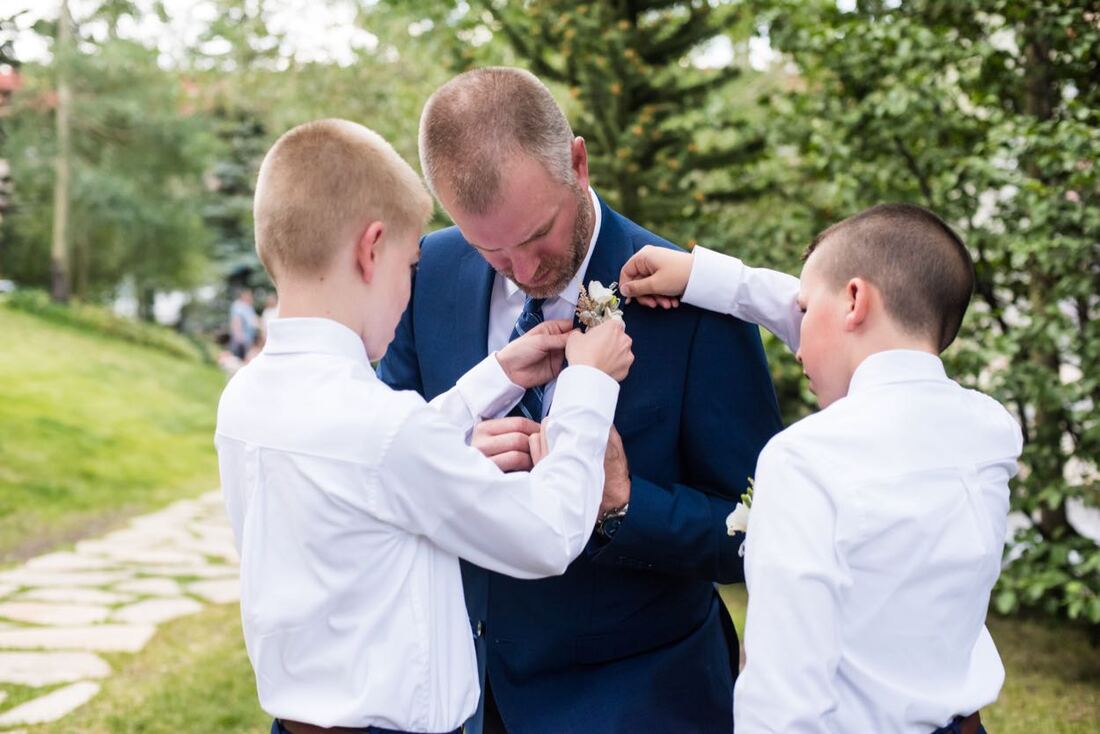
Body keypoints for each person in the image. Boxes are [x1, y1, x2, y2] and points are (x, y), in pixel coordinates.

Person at [378, 67, 783, 733]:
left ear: (578, 162)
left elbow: (759, 534)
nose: (527, 270)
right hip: (460, 698)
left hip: (641, 699)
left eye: (540, 235)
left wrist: (626, 506)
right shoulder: (427, 277)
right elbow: (378, 465)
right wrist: (443, 453)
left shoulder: (696, 302)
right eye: (493, 252)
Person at [215, 118, 635, 734]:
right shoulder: (382, 430)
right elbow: (546, 535)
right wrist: (588, 387)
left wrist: (491, 379)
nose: (414, 287)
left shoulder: (247, 396)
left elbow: (362, 462)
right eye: (412, 265)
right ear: (371, 249)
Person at [619, 203, 1023, 734]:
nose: (796, 339)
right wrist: (710, 279)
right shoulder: (990, 431)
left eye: (804, 311)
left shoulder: (805, 460)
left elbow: (784, 697)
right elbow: (887, 333)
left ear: (855, 299)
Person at [228, 287, 259, 360]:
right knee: (238, 359)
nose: (251, 297)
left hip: (249, 338)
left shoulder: (249, 307)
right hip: (241, 338)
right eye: (249, 295)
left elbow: (253, 321)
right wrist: (239, 335)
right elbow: (236, 320)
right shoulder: (238, 305)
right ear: (243, 295)